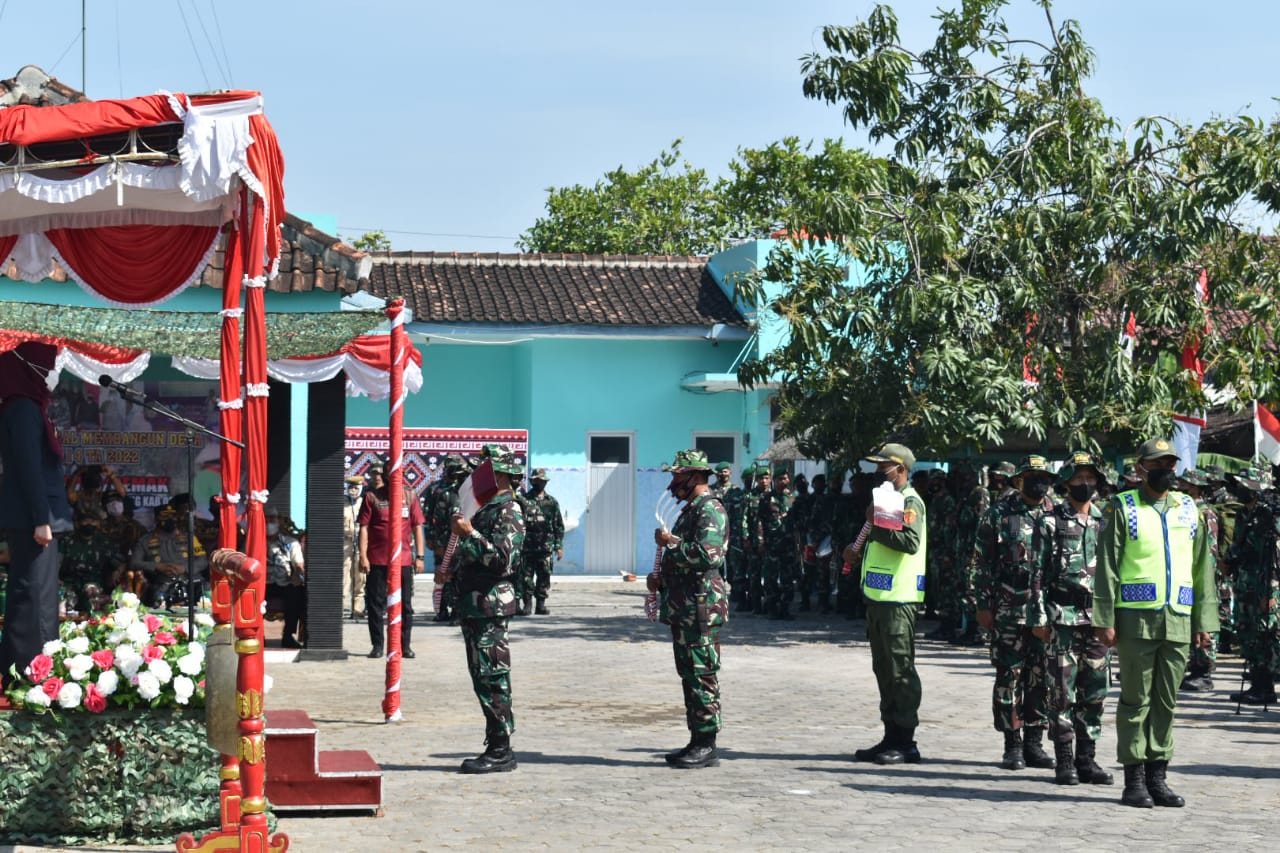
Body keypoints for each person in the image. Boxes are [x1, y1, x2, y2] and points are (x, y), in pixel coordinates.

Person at [1093, 438, 1218, 809]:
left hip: (1178, 617)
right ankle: (1133, 778)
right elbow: (1108, 566)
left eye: (1170, 463)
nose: (1165, 469)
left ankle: (1157, 777)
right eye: (1157, 463)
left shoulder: (1188, 508)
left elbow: (1202, 568)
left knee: (1167, 700)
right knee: (1135, 700)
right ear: (1141, 468)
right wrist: (1104, 618)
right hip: (1134, 618)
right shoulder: (1122, 507)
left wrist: (1203, 621)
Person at [1029, 451, 1114, 786]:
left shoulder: (1106, 520)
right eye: (1079, 479)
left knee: (1095, 692)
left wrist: (1115, 619)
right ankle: (1064, 760)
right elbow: (1036, 574)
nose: (1085, 484)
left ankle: (1087, 760)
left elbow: (1116, 572)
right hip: (1062, 617)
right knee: (1061, 693)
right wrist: (1038, 617)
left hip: (1098, 618)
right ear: (1066, 483)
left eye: (1091, 478)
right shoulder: (1049, 522)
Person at [647, 449, 729, 769]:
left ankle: (707, 743)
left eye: (678, 476)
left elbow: (709, 556)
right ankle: (697, 739)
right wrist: (661, 582)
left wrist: (671, 543)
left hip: (701, 606)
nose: (673, 484)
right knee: (690, 675)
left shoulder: (710, 509)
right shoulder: (692, 510)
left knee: (702, 673)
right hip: (686, 604)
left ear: (695, 476)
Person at [974, 454, 1056, 772]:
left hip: (1047, 614)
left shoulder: (1058, 514)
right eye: (1032, 476)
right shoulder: (998, 515)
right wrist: (982, 605)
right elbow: (981, 563)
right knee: (1008, 678)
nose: (1039, 481)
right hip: (1008, 611)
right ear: (1019, 480)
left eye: (1044, 476)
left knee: (1041, 679)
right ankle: (1012, 745)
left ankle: (1035, 743)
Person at [848, 443, 926, 765]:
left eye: (884, 468)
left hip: (899, 600)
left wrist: (876, 524)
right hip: (880, 598)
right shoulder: (888, 500)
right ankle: (890, 736)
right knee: (884, 669)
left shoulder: (909, 501)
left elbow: (908, 541)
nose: (879, 474)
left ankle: (906, 741)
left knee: (899, 670)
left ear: (901, 469)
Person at [0, 342, 73, 688]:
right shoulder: (24, 410)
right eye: (47, 365)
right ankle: (35, 675)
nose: (51, 374)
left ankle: (21, 670)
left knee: (30, 593)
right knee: (37, 598)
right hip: (35, 519)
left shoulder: (23, 408)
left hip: (33, 516)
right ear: (31, 369)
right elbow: (29, 469)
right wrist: (41, 518)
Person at [450, 445, 526, 773]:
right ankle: (496, 742)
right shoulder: (487, 508)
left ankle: (501, 749)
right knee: (482, 676)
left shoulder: (508, 509)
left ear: (503, 474)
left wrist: (471, 534)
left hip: (491, 605)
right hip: (476, 604)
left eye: (488, 468)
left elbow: (503, 560)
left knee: (493, 676)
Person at [358, 462, 426, 659]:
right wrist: (363, 556)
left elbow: (417, 527)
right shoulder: (372, 497)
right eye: (390, 472)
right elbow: (363, 528)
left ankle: (404, 646)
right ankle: (378, 645)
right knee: (375, 605)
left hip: (403, 561)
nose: (395, 476)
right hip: (377, 560)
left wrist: (420, 557)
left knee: (405, 606)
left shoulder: (410, 496)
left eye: (400, 472)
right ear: (385, 474)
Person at [1221, 466, 1278, 704]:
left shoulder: (1269, 516)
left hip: (1264, 586)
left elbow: (1275, 556)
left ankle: (1265, 687)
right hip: (1245, 582)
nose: (1240, 490)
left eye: (1244, 486)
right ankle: (1256, 683)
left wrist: (1272, 591)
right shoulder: (1245, 514)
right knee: (1247, 633)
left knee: (1265, 636)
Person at [130, 504, 209, 608]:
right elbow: (134, 563)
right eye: (165, 516)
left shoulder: (190, 538)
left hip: (192, 584)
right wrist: (157, 566)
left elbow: (203, 560)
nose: (171, 519)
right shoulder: (145, 540)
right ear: (156, 518)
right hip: (162, 586)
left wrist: (185, 568)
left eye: (173, 516)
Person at [522, 468, 565, 615]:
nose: (539, 483)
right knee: (526, 577)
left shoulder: (552, 502)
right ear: (532, 481)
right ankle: (527, 605)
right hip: (526, 548)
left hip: (545, 548)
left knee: (544, 577)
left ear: (545, 482)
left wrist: (558, 546)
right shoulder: (523, 500)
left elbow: (558, 526)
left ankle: (540, 605)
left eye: (542, 481)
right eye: (536, 480)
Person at [265, 507, 306, 649]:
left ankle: (288, 636)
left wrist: (297, 575)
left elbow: (299, 564)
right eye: (267, 518)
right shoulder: (253, 541)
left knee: (297, 592)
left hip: (285, 582)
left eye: (273, 518)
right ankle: (256, 635)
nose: (270, 521)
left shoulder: (291, 542)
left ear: (280, 521)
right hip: (262, 583)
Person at [343, 475, 366, 619]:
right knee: (344, 576)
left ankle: (357, 609)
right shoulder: (341, 503)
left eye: (356, 488)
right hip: (345, 543)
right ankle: (339, 607)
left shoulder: (364, 503)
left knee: (360, 577)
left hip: (361, 544)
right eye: (351, 487)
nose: (353, 490)